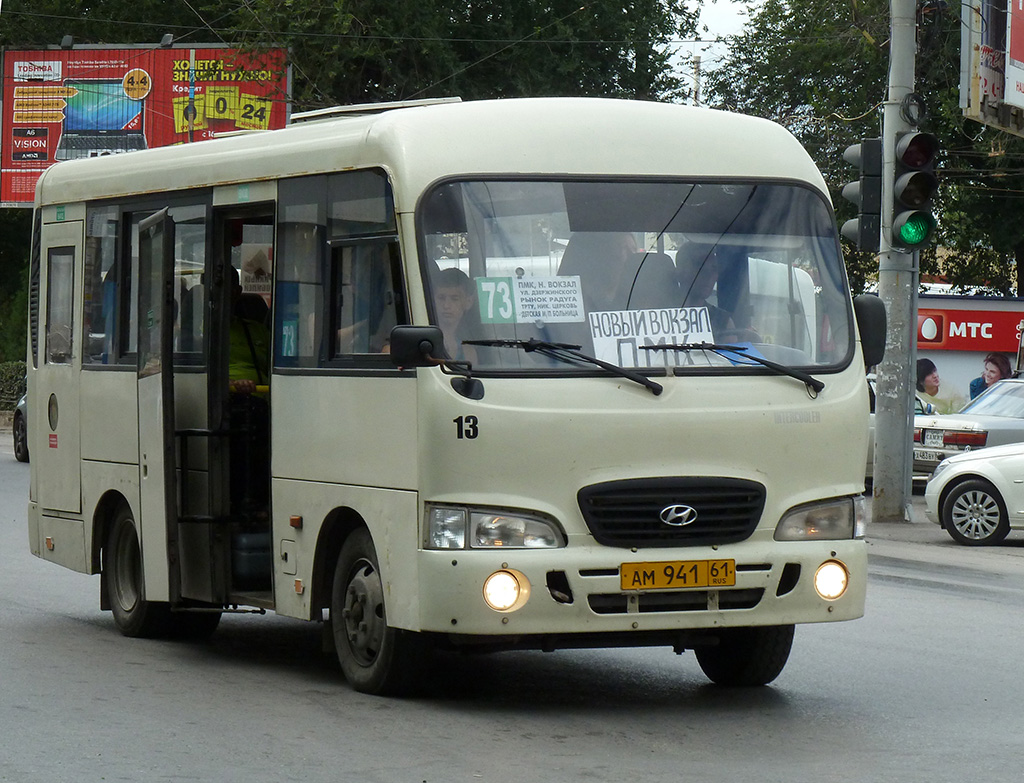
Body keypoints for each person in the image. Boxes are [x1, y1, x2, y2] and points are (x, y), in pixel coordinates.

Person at [432, 267, 478, 363]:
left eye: (454, 299)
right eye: (441, 298)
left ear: (469, 302)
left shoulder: (468, 353)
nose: (446, 305)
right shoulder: (421, 344)